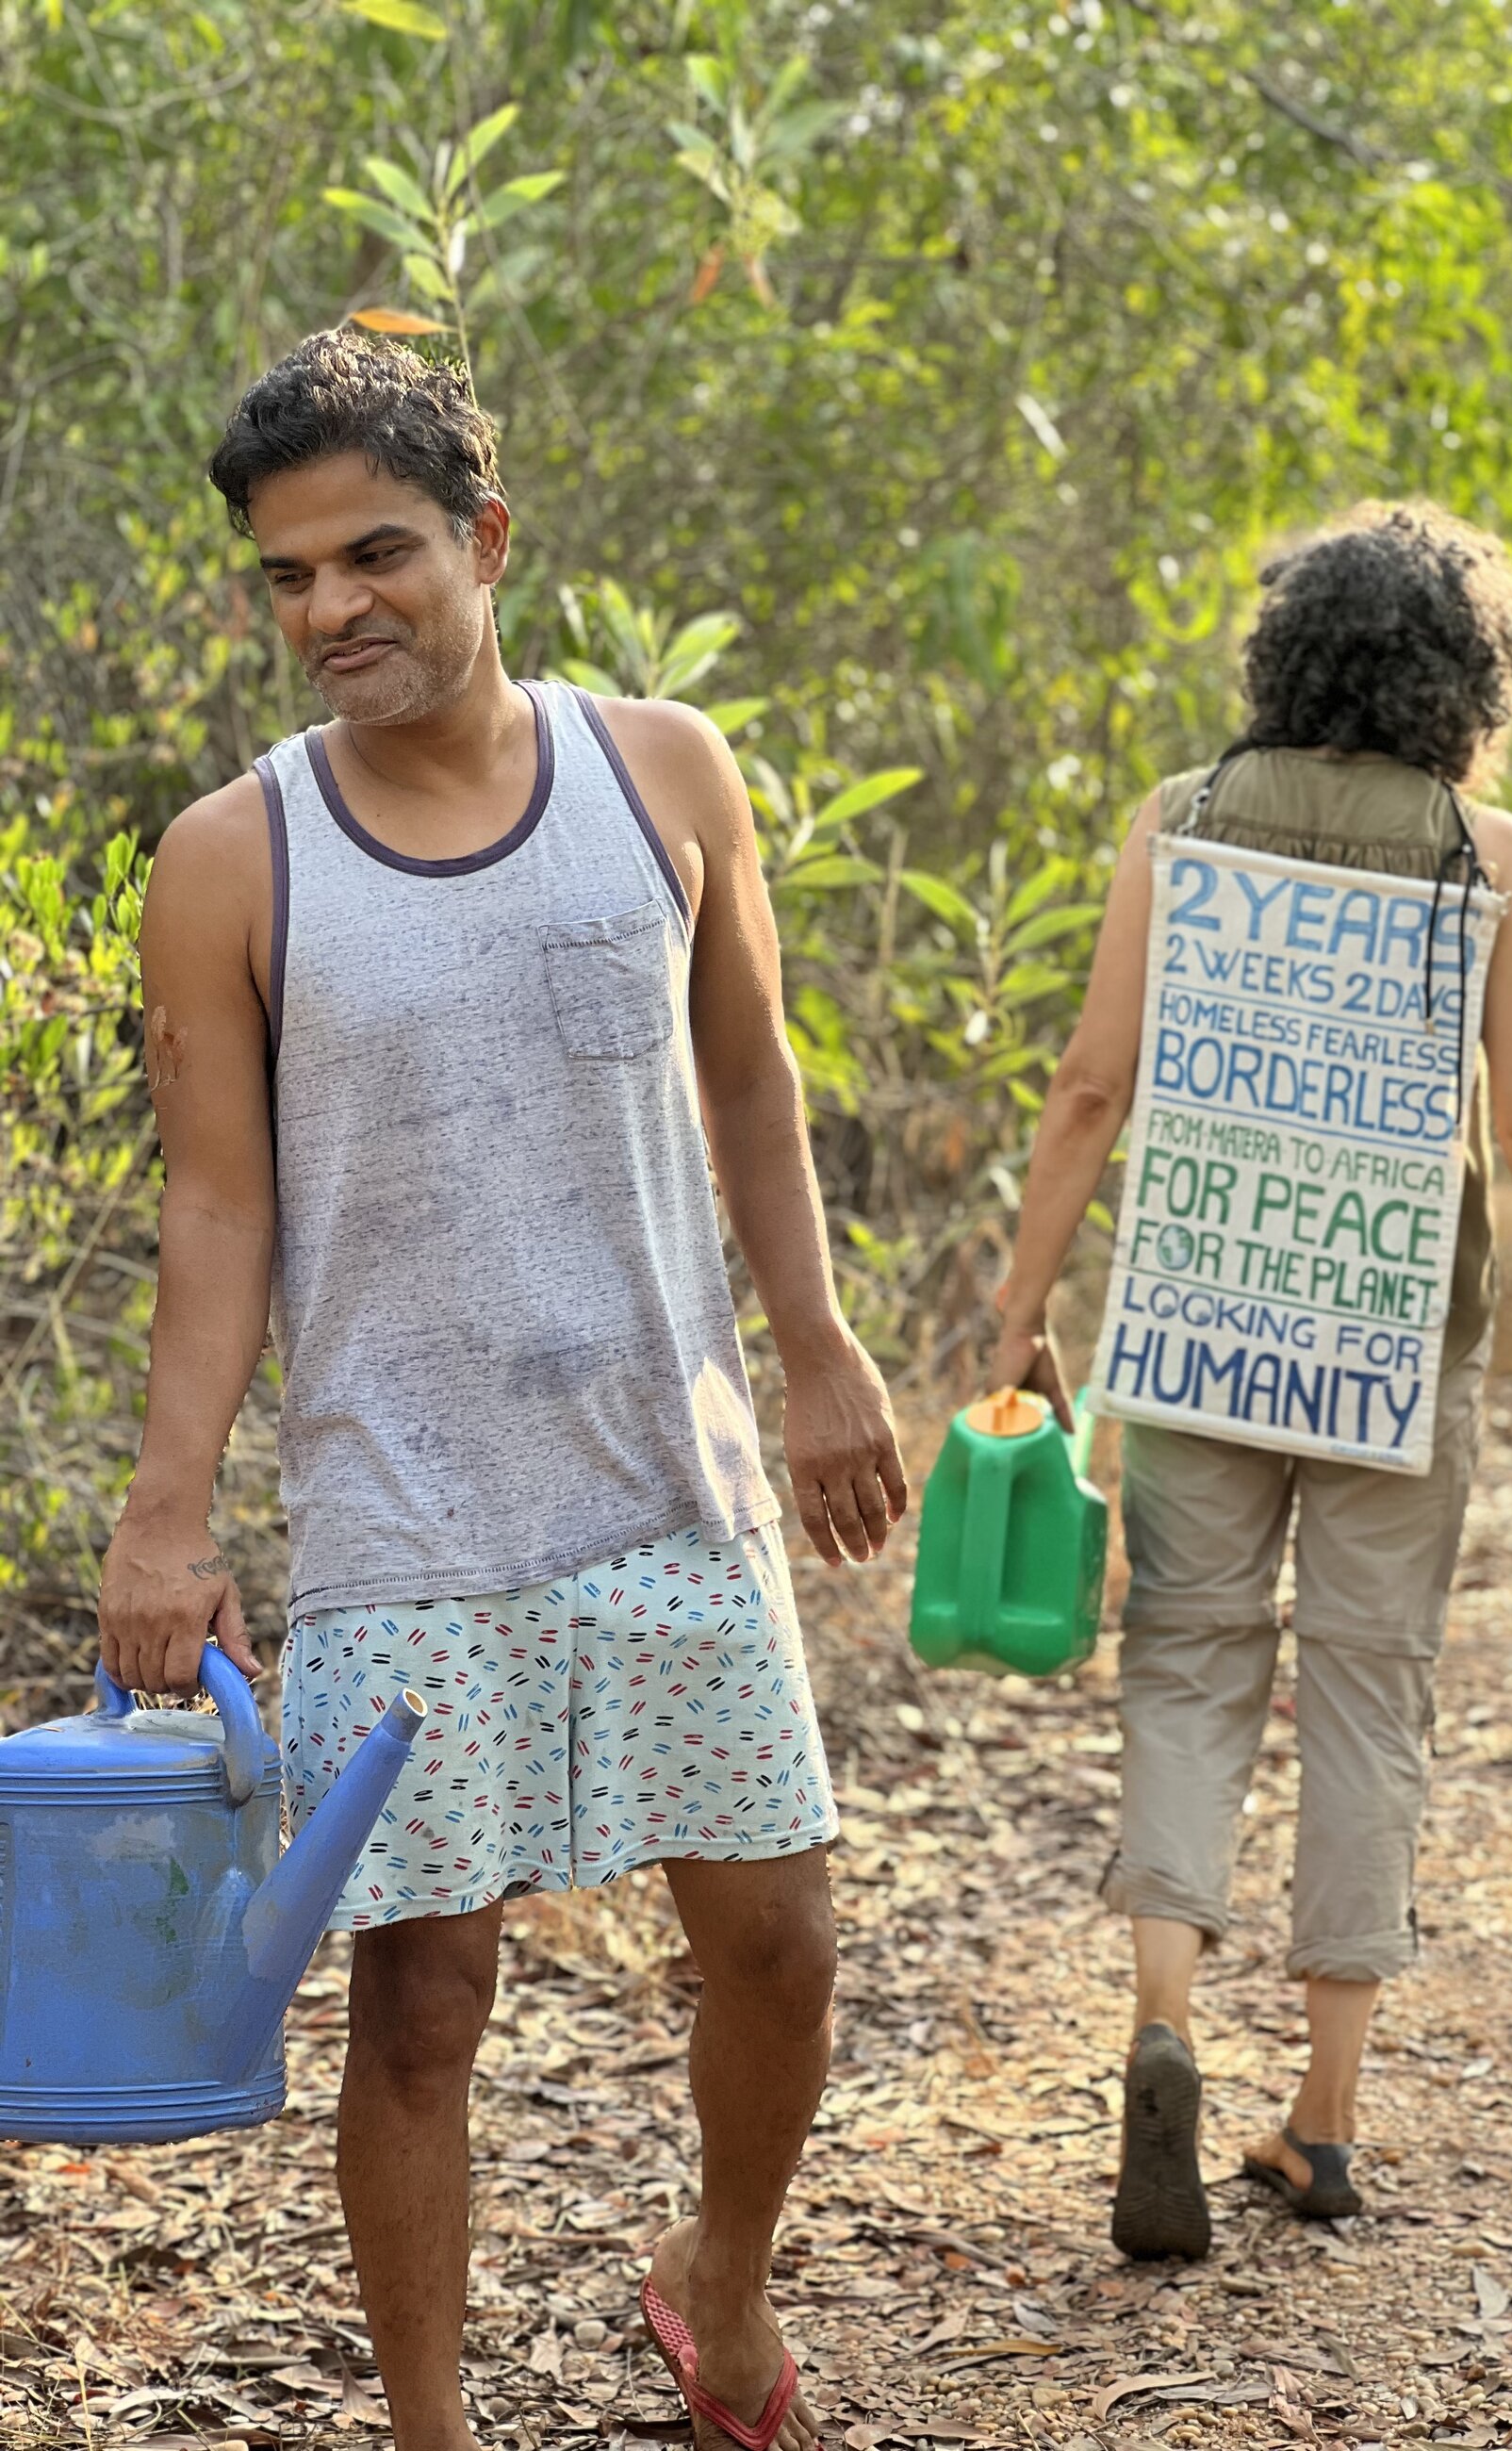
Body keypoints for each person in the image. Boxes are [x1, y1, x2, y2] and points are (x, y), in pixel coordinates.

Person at [98, 328, 905, 2451]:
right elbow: (214, 1219)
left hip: (668, 1474)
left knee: (782, 1947)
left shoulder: (662, 772)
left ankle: (716, 2276)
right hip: (405, 1518)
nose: (331, 609)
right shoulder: (234, 860)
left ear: (487, 540)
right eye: (287, 577)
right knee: (423, 2007)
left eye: (375, 553)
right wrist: (165, 1508)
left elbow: (750, 1073)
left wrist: (817, 1349)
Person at [988, 502, 1512, 2257]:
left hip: (1197, 1322)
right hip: (1389, 1349)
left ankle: (1162, 2023)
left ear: (1287, 655)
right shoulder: (1478, 850)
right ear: (1464, 680)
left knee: (1190, 1667)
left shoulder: (1177, 827)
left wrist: (1013, 1317)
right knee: (1369, 1696)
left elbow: (1083, 1091)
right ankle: (1323, 2121)